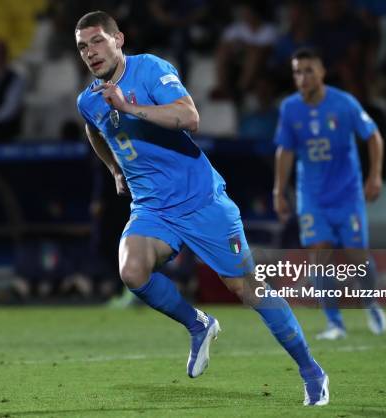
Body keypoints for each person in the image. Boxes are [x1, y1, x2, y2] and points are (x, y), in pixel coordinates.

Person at [75, 11, 329, 406]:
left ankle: (311, 370)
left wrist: (130, 108)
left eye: (97, 41)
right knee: (132, 270)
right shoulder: (88, 99)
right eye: (82, 47)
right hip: (153, 208)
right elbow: (93, 127)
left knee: (247, 288)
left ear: (118, 39)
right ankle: (198, 324)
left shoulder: (151, 69)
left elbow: (189, 117)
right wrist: (113, 168)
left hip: (201, 200)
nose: (90, 52)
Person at [273, 48, 386, 340]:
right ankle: (335, 323)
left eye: (309, 70)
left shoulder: (344, 104)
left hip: (347, 194)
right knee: (320, 254)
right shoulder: (290, 108)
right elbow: (285, 150)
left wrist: (374, 175)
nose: (303, 77)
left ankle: (371, 302)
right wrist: (278, 189)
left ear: (322, 72)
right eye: (298, 71)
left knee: (357, 255)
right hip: (311, 196)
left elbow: (373, 136)